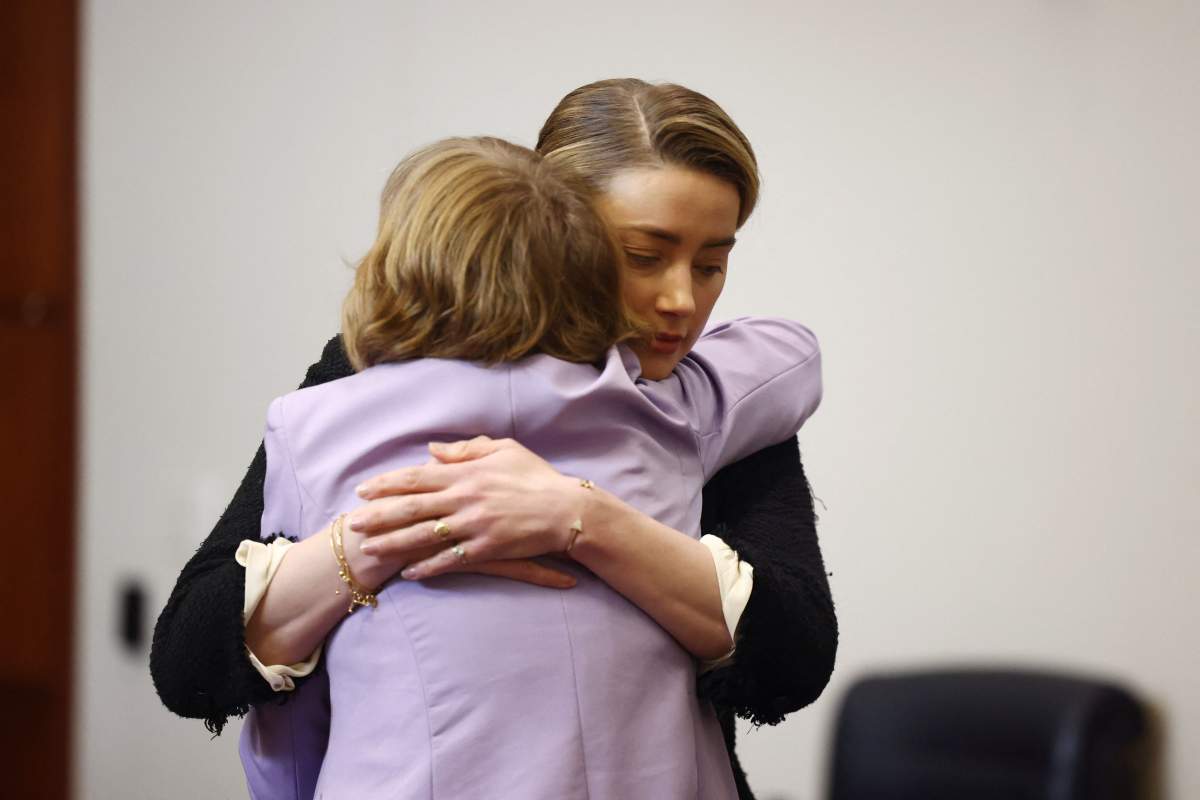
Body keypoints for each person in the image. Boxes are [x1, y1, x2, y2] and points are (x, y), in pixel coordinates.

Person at [150, 78, 838, 800]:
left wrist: (582, 519)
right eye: (643, 255)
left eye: (711, 264)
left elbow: (796, 662)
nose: (682, 300)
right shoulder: (365, 378)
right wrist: (376, 542)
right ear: (554, 233)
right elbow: (189, 664)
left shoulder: (697, 403)